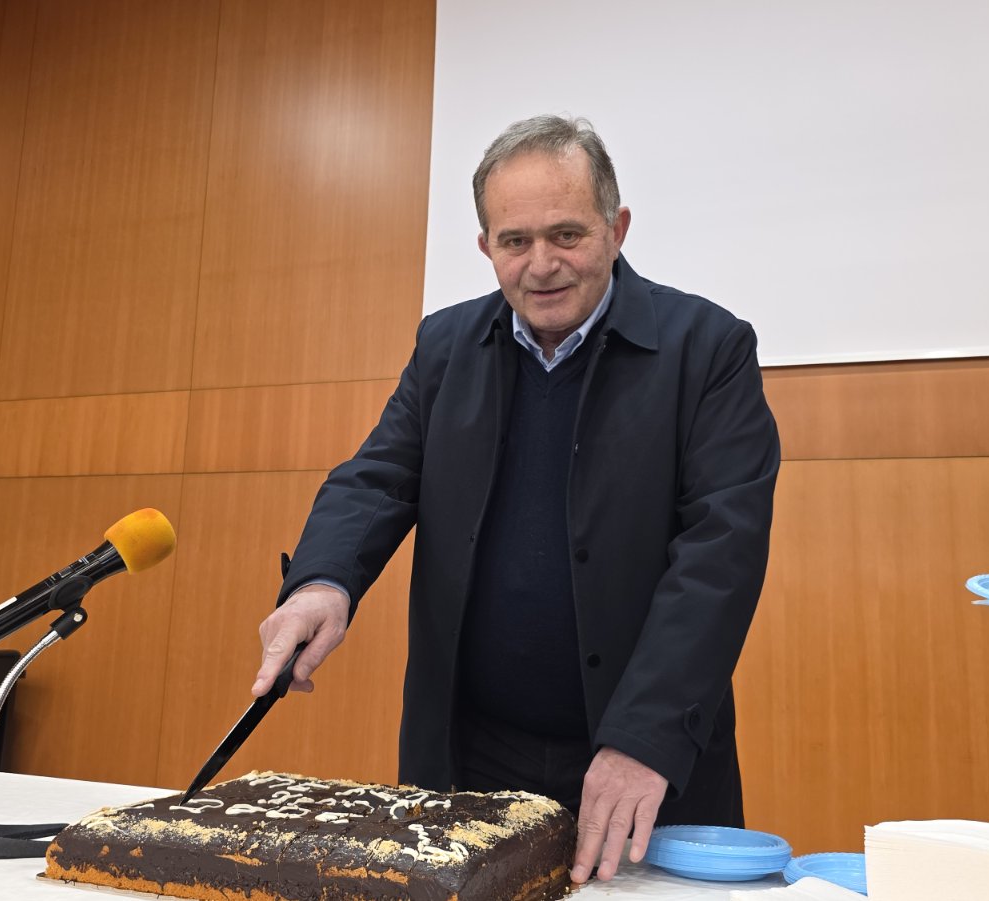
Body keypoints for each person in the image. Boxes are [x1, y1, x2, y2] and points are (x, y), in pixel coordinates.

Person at [249, 114, 779, 883]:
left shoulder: (708, 348)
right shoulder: (445, 346)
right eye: (515, 241)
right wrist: (323, 581)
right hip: (469, 757)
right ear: (485, 246)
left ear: (617, 228)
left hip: (639, 759)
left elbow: (720, 556)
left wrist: (644, 738)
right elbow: (376, 475)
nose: (542, 264)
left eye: (567, 234)